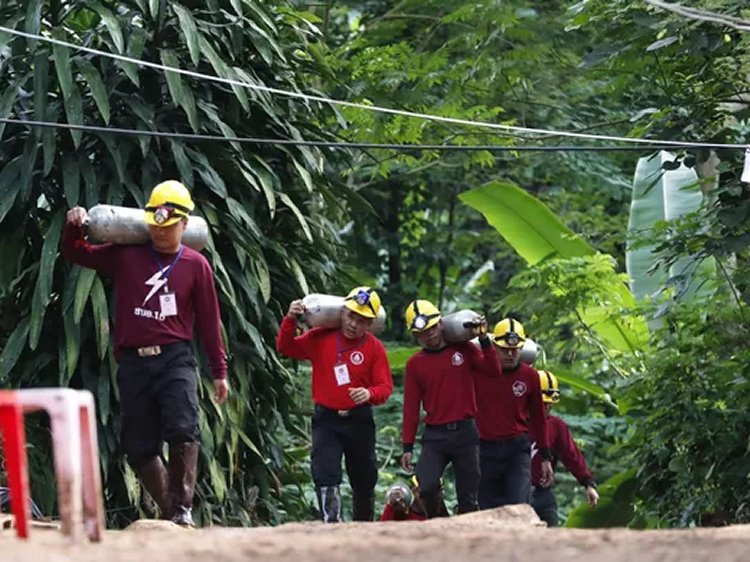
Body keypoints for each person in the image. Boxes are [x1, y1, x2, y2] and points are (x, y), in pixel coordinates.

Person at [61, 180, 229, 527]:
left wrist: (220, 371)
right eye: (155, 225)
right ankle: (171, 508)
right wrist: (73, 227)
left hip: (175, 358)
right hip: (134, 361)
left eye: (168, 228)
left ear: (184, 225)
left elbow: (211, 323)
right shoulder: (128, 254)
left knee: (184, 429)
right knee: (138, 447)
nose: (160, 233)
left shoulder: (196, 265)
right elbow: (77, 254)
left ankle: (181, 510)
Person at [276, 287, 393, 522]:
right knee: (325, 471)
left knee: (364, 476)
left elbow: (385, 388)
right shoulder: (319, 338)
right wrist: (290, 319)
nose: (353, 324)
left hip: (359, 419)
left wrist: (368, 393)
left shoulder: (374, 348)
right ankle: (332, 526)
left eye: (361, 321)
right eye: (351, 316)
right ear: (342, 313)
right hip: (326, 419)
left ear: (369, 324)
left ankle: (364, 528)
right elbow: (285, 347)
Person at [400, 300, 500, 517]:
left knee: (468, 496)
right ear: (416, 336)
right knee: (425, 485)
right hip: (436, 435)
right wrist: (407, 446)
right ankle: (441, 522)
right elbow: (411, 407)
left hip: (466, 433)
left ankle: (467, 540)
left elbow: (493, 371)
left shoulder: (463, 350)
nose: (430, 335)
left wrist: (484, 339)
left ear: (442, 324)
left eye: (433, 328)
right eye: (423, 332)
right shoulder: (415, 364)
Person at [473, 317, 553, 509]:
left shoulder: (530, 376)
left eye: (515, 350)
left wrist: (545, 457)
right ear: (494, 347)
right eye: (504, 350)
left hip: (516, 450)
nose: (510, 354)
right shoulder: (480, 372)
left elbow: (539, 419)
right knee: (488, 508)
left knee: (519, 505)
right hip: (485, 450)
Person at [530, 370, 599, 527]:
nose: (547, 406)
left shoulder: (555, 426)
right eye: (543, 402)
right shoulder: (512, 423)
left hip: (542, 494)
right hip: (512, 495)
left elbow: (571, 455)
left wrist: (587, 483)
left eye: (550, 403)